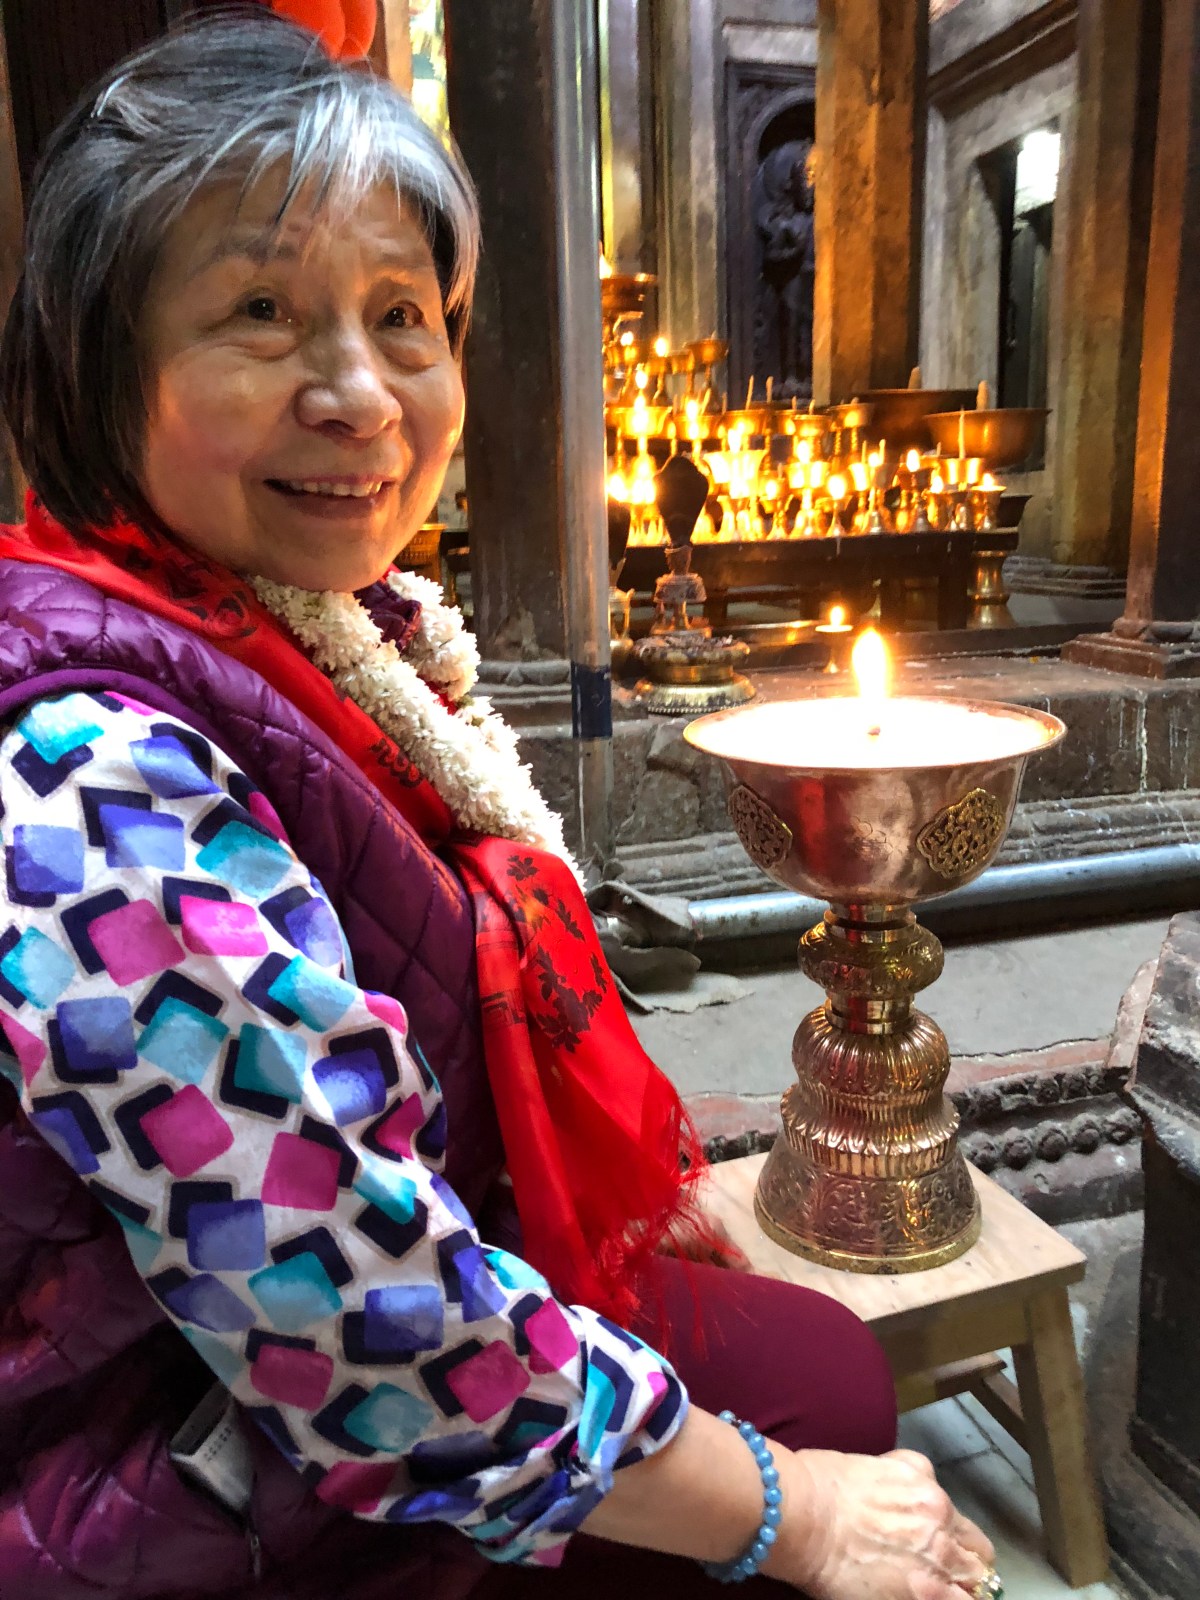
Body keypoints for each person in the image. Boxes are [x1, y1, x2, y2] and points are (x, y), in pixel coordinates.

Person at [0, 14, 998, 1600]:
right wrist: (788, 1514)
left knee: (824, 1365)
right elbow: (356, 1329)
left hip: (355, 1288)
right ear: (94, 362)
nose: (361, 394)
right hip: (182, 1450)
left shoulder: (321, 632)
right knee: (820, 1422)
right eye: (260, 311)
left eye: (404, 314)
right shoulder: (94, 780)